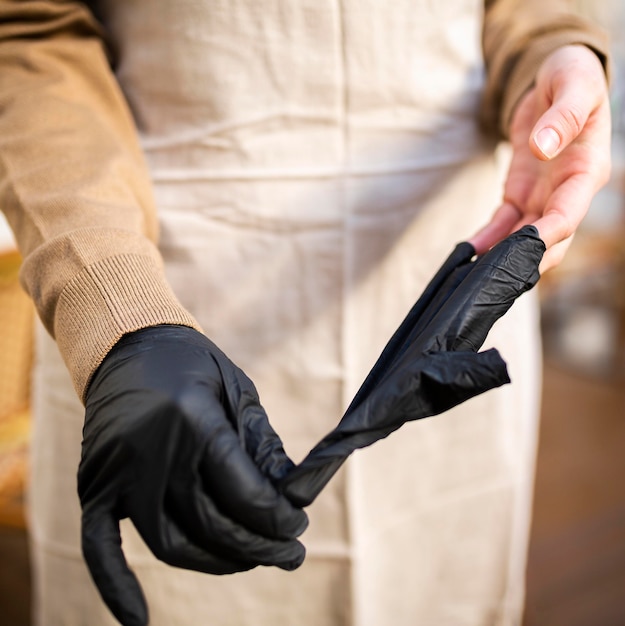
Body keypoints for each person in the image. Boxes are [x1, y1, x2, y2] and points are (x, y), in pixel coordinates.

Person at [0, 1, 612, 624]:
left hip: (445, 284)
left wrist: (551, 49)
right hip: (165, 308)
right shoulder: (127, 308)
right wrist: (115, 311)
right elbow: (28, 28)